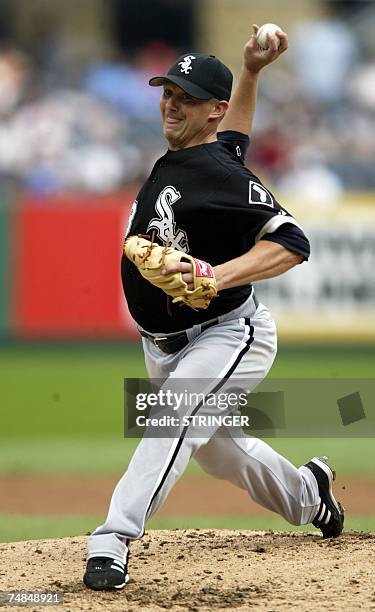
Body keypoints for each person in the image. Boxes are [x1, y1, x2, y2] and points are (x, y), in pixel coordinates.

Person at [83, 26, 344, 591]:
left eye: (187, 98)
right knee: (219, 452)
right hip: (163, 339)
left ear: (212, 110)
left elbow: (293, 241)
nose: (171, 104)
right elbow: (236, 137)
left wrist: (216, 274)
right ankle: (308, 494)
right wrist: (250, 72)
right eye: (168, 92)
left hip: (227, 332)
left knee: (172, 416)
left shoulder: (222, 174)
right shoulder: (198, 153)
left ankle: (113, 537)